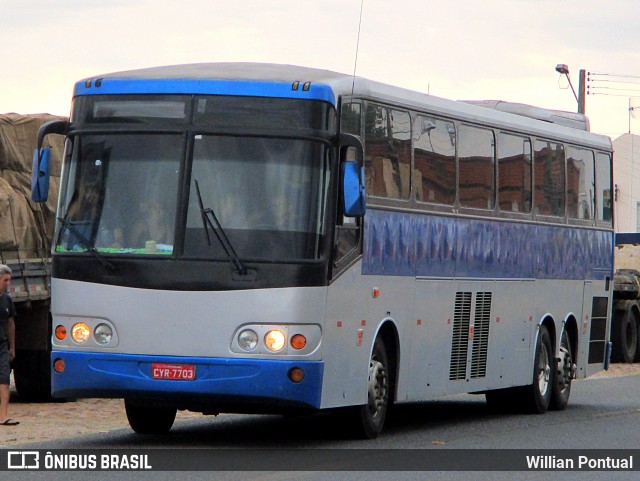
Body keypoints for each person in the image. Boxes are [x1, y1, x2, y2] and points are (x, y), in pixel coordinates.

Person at [0, 264, 18, 426]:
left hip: (2, 345)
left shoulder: (7, 300)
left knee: (4, 379)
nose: (7, 284)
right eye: (5, 280)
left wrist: (12, 347)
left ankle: (4, 416)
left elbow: (11, 323)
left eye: (9, 280)